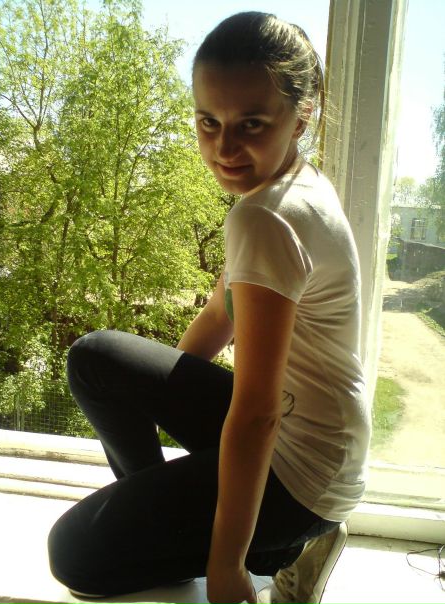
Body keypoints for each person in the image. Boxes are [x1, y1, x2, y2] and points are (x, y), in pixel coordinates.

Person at [47, 11, 371, 604]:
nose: (224, 147)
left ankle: (278, 548)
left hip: (301, 475)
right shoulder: (289, 184)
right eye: (208, 122)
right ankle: (178, 527)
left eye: (251, 124)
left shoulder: (266, 217)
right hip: (322, 441)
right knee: (95, 358)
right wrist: (163, 405)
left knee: (72, 556)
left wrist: (226, 566)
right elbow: (221, 314)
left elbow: (256, 414)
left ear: (301, 117)